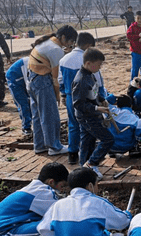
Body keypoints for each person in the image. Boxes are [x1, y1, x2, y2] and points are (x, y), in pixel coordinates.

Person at [38, 167, 131, 236]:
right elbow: (122, 222)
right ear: (90, 186)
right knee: (105, 234)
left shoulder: (57, 205)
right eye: (97, 184)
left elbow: (44, 230)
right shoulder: (99, 202)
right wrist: (128, 214)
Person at [28, 25, 78, 156]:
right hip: (42, 80)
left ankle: (40, 145)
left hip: (33, 78)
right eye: (70, 41)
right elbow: (56, 78)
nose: (71, 45)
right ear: (63, 38)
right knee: (50, 115)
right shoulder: (56, 50)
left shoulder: (47, 42)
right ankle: (54, 147)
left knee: (38, 115)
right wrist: (58, 95)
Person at [59, 32, 101, 165]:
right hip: (87, 97)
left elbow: (60, 80)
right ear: (88, 45)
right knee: (88, 127)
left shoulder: (64, 59)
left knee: (73, 124)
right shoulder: (87, 60)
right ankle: (88, 157)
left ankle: (72, 153)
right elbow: (97, 82)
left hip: (70, 96)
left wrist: (63, 94)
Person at [72, 48, 114, 180]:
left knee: (87, 141)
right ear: (89, 63)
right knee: (108, 139)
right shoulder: (81, 80)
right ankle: (92, 163)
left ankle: (82, 169)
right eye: (99, 64)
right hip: (87, 117)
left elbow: (95, 92)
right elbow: (78, 104)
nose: (100, 67)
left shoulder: (90, 75)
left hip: (91, 114)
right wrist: (96, 108)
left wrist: (102, 100)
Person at [5, 57, 32, 136]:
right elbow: (29, 84)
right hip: (14, 80)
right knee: (23, 104)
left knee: (30, 102)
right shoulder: (29, 63)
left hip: (22, 78)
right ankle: (26, 127)